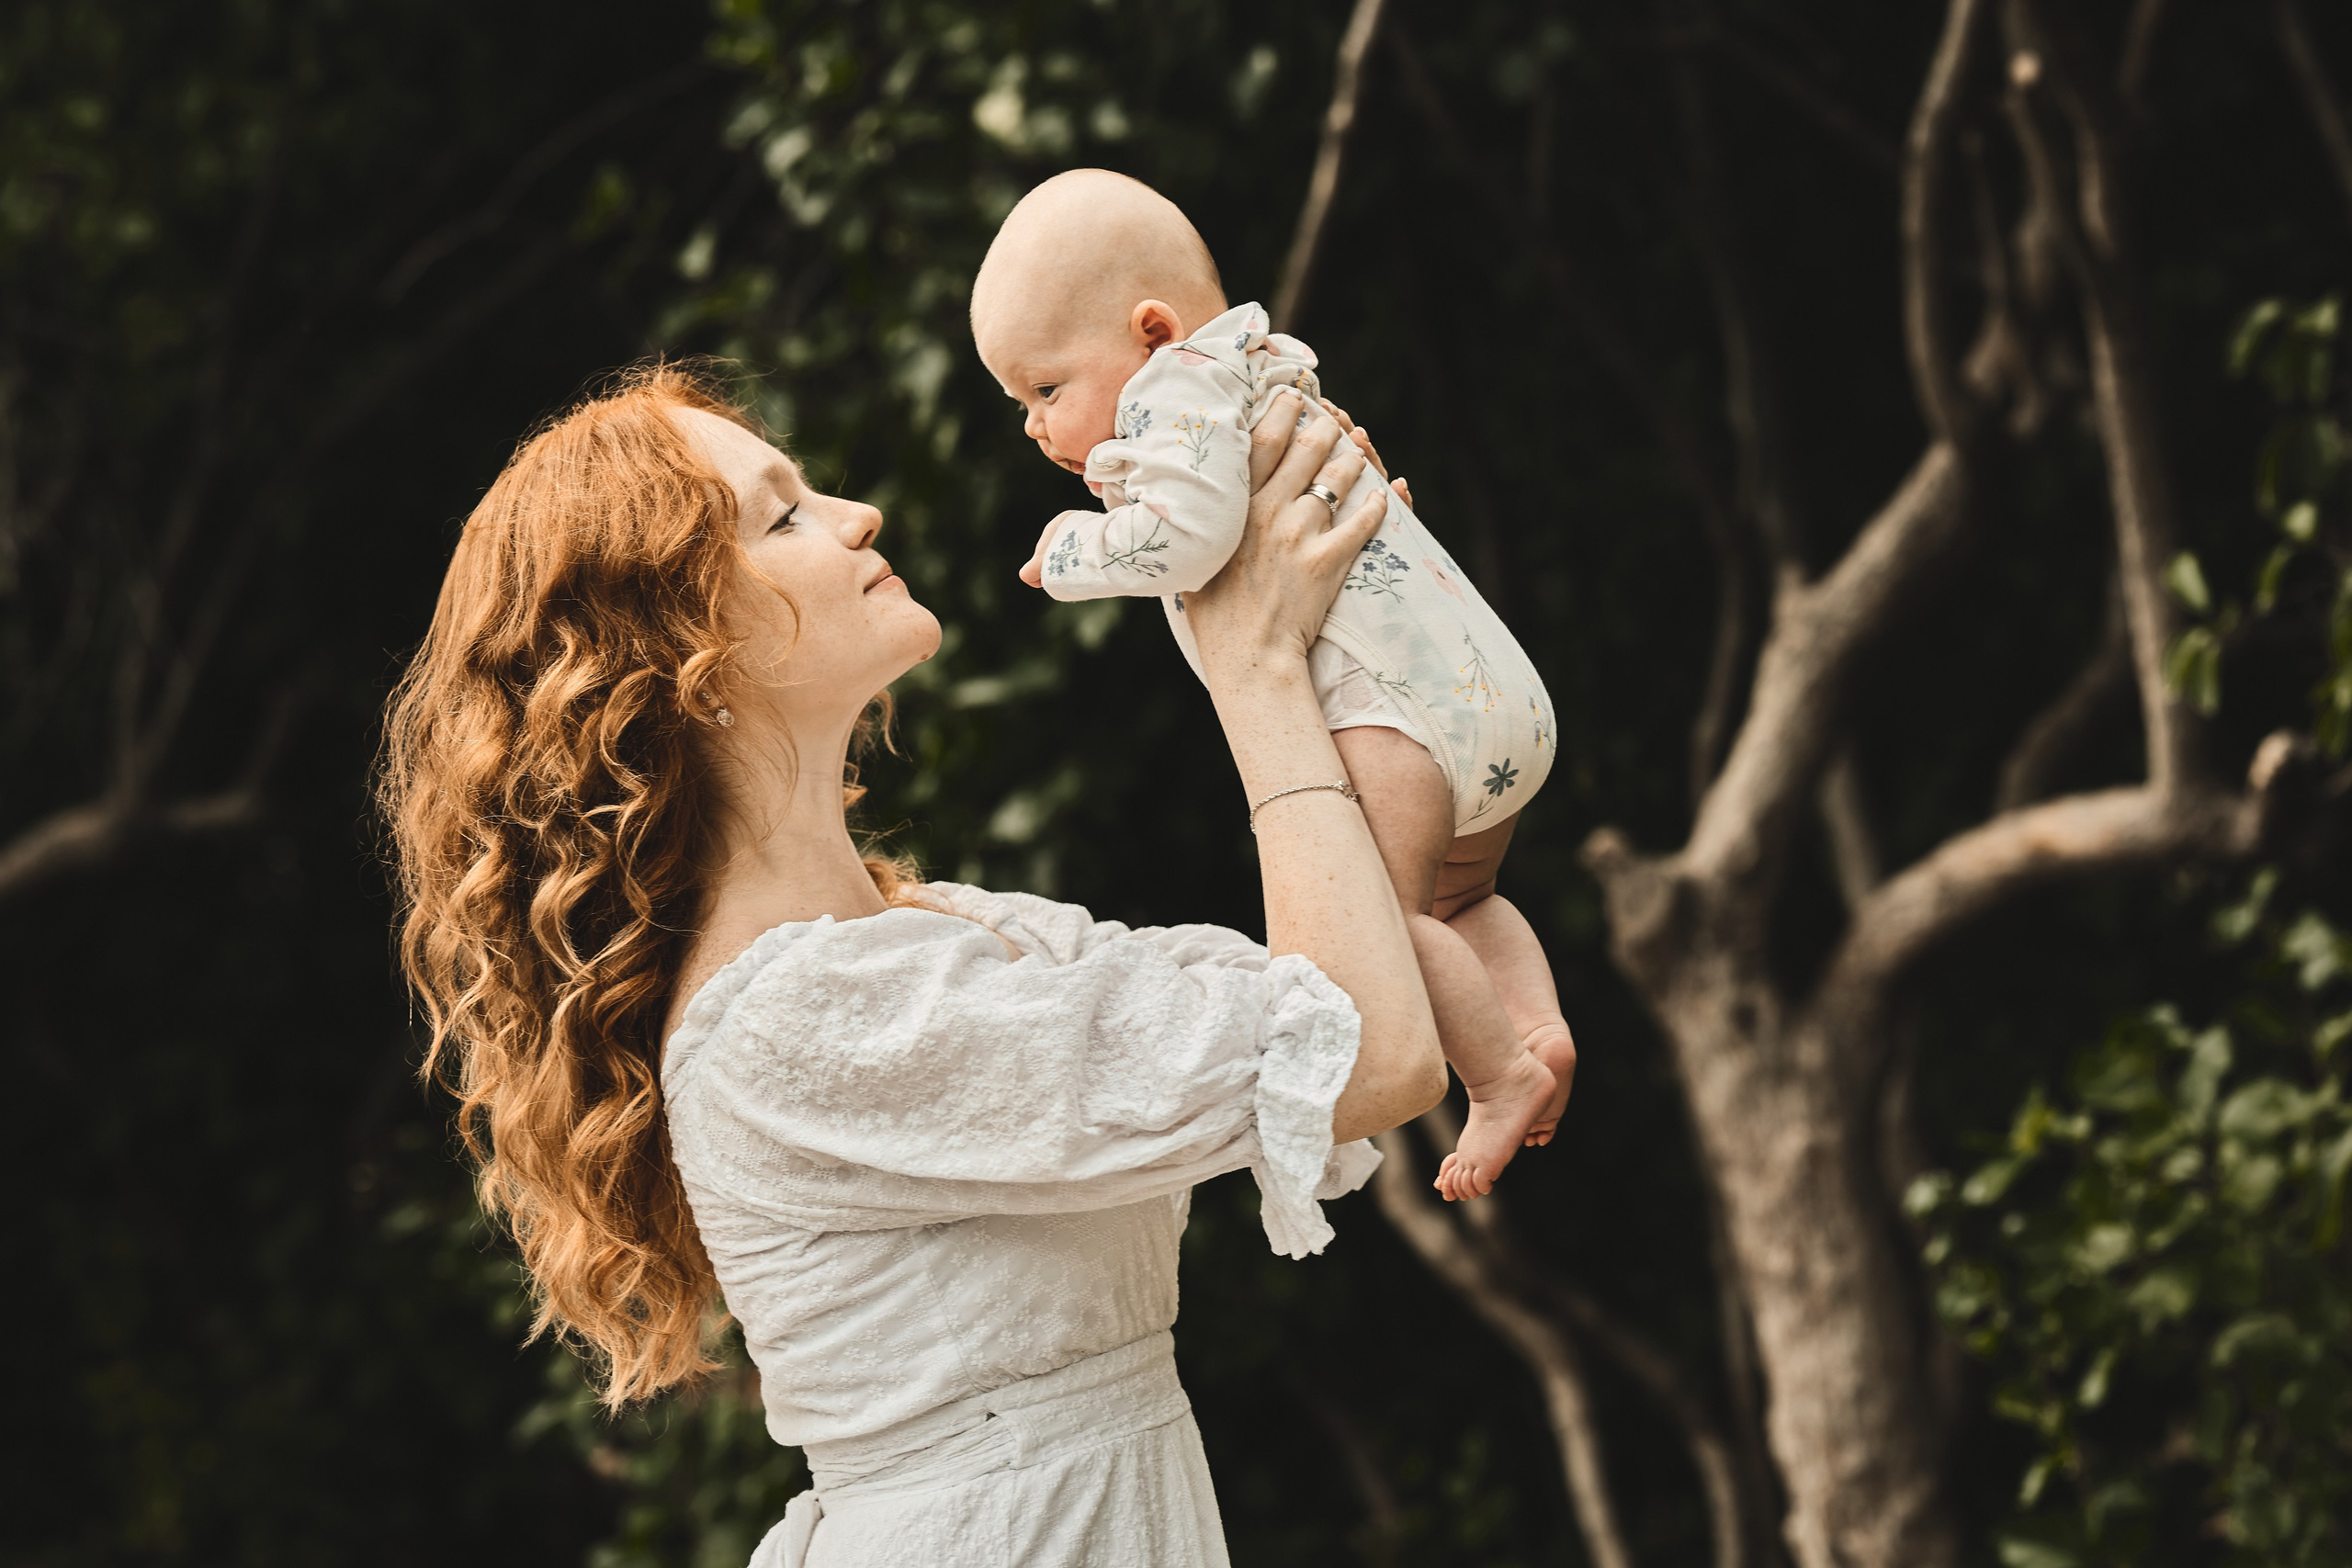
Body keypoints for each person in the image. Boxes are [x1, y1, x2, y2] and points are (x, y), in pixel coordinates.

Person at [379, 362, 1478, 1565]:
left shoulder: (952, 939)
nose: (859, 518)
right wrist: (1255, 662)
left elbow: (1332, 992)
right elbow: (1365, 1050)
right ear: (685, 660)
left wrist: (1344, 608)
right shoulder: (800, 1019)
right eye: (784, 514)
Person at [971, 168, 1577, 1199]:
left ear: (1153, 335)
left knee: (1384, 929)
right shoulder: (1265, 365)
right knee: (1463, 892)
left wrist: (1074, 552)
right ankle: (1537, 1025)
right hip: (1482, 692)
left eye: (1045, 389)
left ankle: (1502, 1074)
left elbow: (1188, 541)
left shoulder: (1179, 398)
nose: (1033, 426)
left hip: (1399, 722)